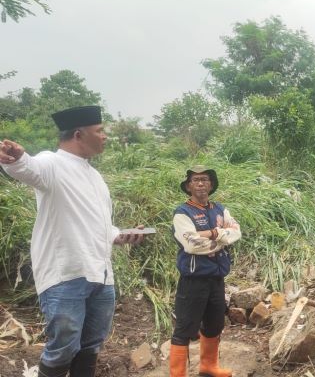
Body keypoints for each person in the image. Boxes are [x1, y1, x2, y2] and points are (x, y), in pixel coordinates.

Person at [0, 105, 145, 377]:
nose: (105, 136)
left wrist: (119, 235)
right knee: (63, 348)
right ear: (79, 134)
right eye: (100, 131)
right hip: (66, 276)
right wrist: (16, 159)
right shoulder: (52, 164)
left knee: (90, 346)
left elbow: (98, 223)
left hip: (101, 275)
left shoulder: (96, 177)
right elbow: (29, 168)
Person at [170, 165, 241, 377]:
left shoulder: (220, 209)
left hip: (217, 278)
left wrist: (209, 234)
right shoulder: (182, 213)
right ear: (188, 186)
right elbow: (191, 245)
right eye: (195, 180)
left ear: (211, 184)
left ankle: (208, 367)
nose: (200, 183)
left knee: (214, 324)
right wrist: (220, 235)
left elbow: (236, 232)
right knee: (185, 328)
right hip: (193, 281)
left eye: (205, 179)